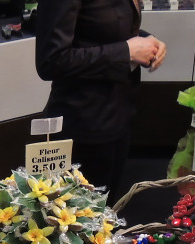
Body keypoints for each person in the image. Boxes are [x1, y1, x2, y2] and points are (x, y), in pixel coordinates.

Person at [35, 0, 167, 205]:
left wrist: (146, 41)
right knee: (81, 222)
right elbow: (51, 61)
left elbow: (102, 30)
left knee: (106, 214)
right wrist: (126, 52)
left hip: (119, 114)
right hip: (83, 126)